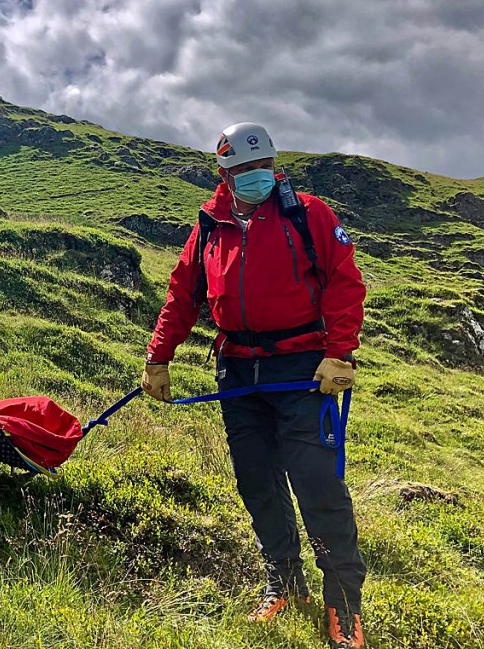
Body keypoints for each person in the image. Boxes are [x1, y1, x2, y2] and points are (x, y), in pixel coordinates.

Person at [142, 123, 367, 649]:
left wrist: (340, 352)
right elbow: (183, 295)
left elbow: (344, 281)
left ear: (274, 164)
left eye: (260, 167)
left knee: (317, 485)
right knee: (257, 482)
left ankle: (343, 606)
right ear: (222, 173)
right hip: (238, 369)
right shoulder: (210, 224)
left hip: (302, 369)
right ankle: (286, 583)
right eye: (241, 170)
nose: (253, 177)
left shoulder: (308, 215)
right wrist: (158, 358)